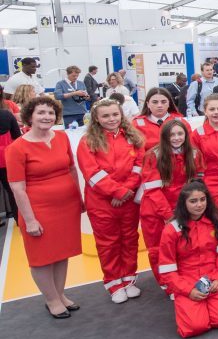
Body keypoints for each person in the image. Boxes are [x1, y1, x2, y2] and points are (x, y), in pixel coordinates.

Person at [6, 96, 84, 318]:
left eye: (50, 113)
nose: (46, 117)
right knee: (42, 257)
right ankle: (51, 300)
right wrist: (29, 219)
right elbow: (18, 188)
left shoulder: (61, 137)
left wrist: (78, 199)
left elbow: (71, 169)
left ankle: (60, 294)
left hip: (67, 206)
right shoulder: (17, 148)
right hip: (38, 209)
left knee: (62, 253)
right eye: (41, 112)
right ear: (29, 116)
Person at [76, 99, 145, 303]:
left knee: (129, 239)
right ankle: (114, 282)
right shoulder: (88, 141)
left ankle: (129, 278)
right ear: (96, 118)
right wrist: (117, 192)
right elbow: (92, 173)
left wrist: (126, 190)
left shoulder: (133, 137)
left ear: (121, 115)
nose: (111, 119)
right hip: (102, 203)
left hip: (128, 200)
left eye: (115, 114)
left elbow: (140, 165)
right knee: (108, 244)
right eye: (105, 116)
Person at [157, 181, 218, 337]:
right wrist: (188, 290)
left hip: (213, 278)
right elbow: (167, 270)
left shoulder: (216, 222)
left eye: (202, 200)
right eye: (193, 201)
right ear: (183, 203)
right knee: (194, 327)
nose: (199, 205)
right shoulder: (171, 230)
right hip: (186, 281)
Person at [137, 119, 204, 294]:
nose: (176, 138)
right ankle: (168, 285)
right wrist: (169, 215)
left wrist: (189, 208)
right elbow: (153, 190)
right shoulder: (154, 155)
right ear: (164, 136)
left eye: (180, 134)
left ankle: (182, 280)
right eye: (171, 134)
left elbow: (198, 181)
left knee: (183, 247)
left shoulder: (194, 154)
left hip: (182, 208)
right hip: (156, 212)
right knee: (159, 250)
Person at [0, 99, 22, 224]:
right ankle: (19, 218)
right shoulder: (6, 114)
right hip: (5, 157)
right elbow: (17, 136)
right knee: (13, 189)